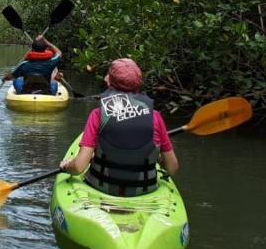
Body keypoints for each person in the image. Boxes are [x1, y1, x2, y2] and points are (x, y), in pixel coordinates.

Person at [58, 58, 179, 197]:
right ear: (138, 84)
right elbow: (172, 167)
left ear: (109, 82)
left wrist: (67, 166)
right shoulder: (155, 117)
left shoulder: (98, 115)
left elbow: (78, 167)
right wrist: (155, 156)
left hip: (101, 189)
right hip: (143, 193)